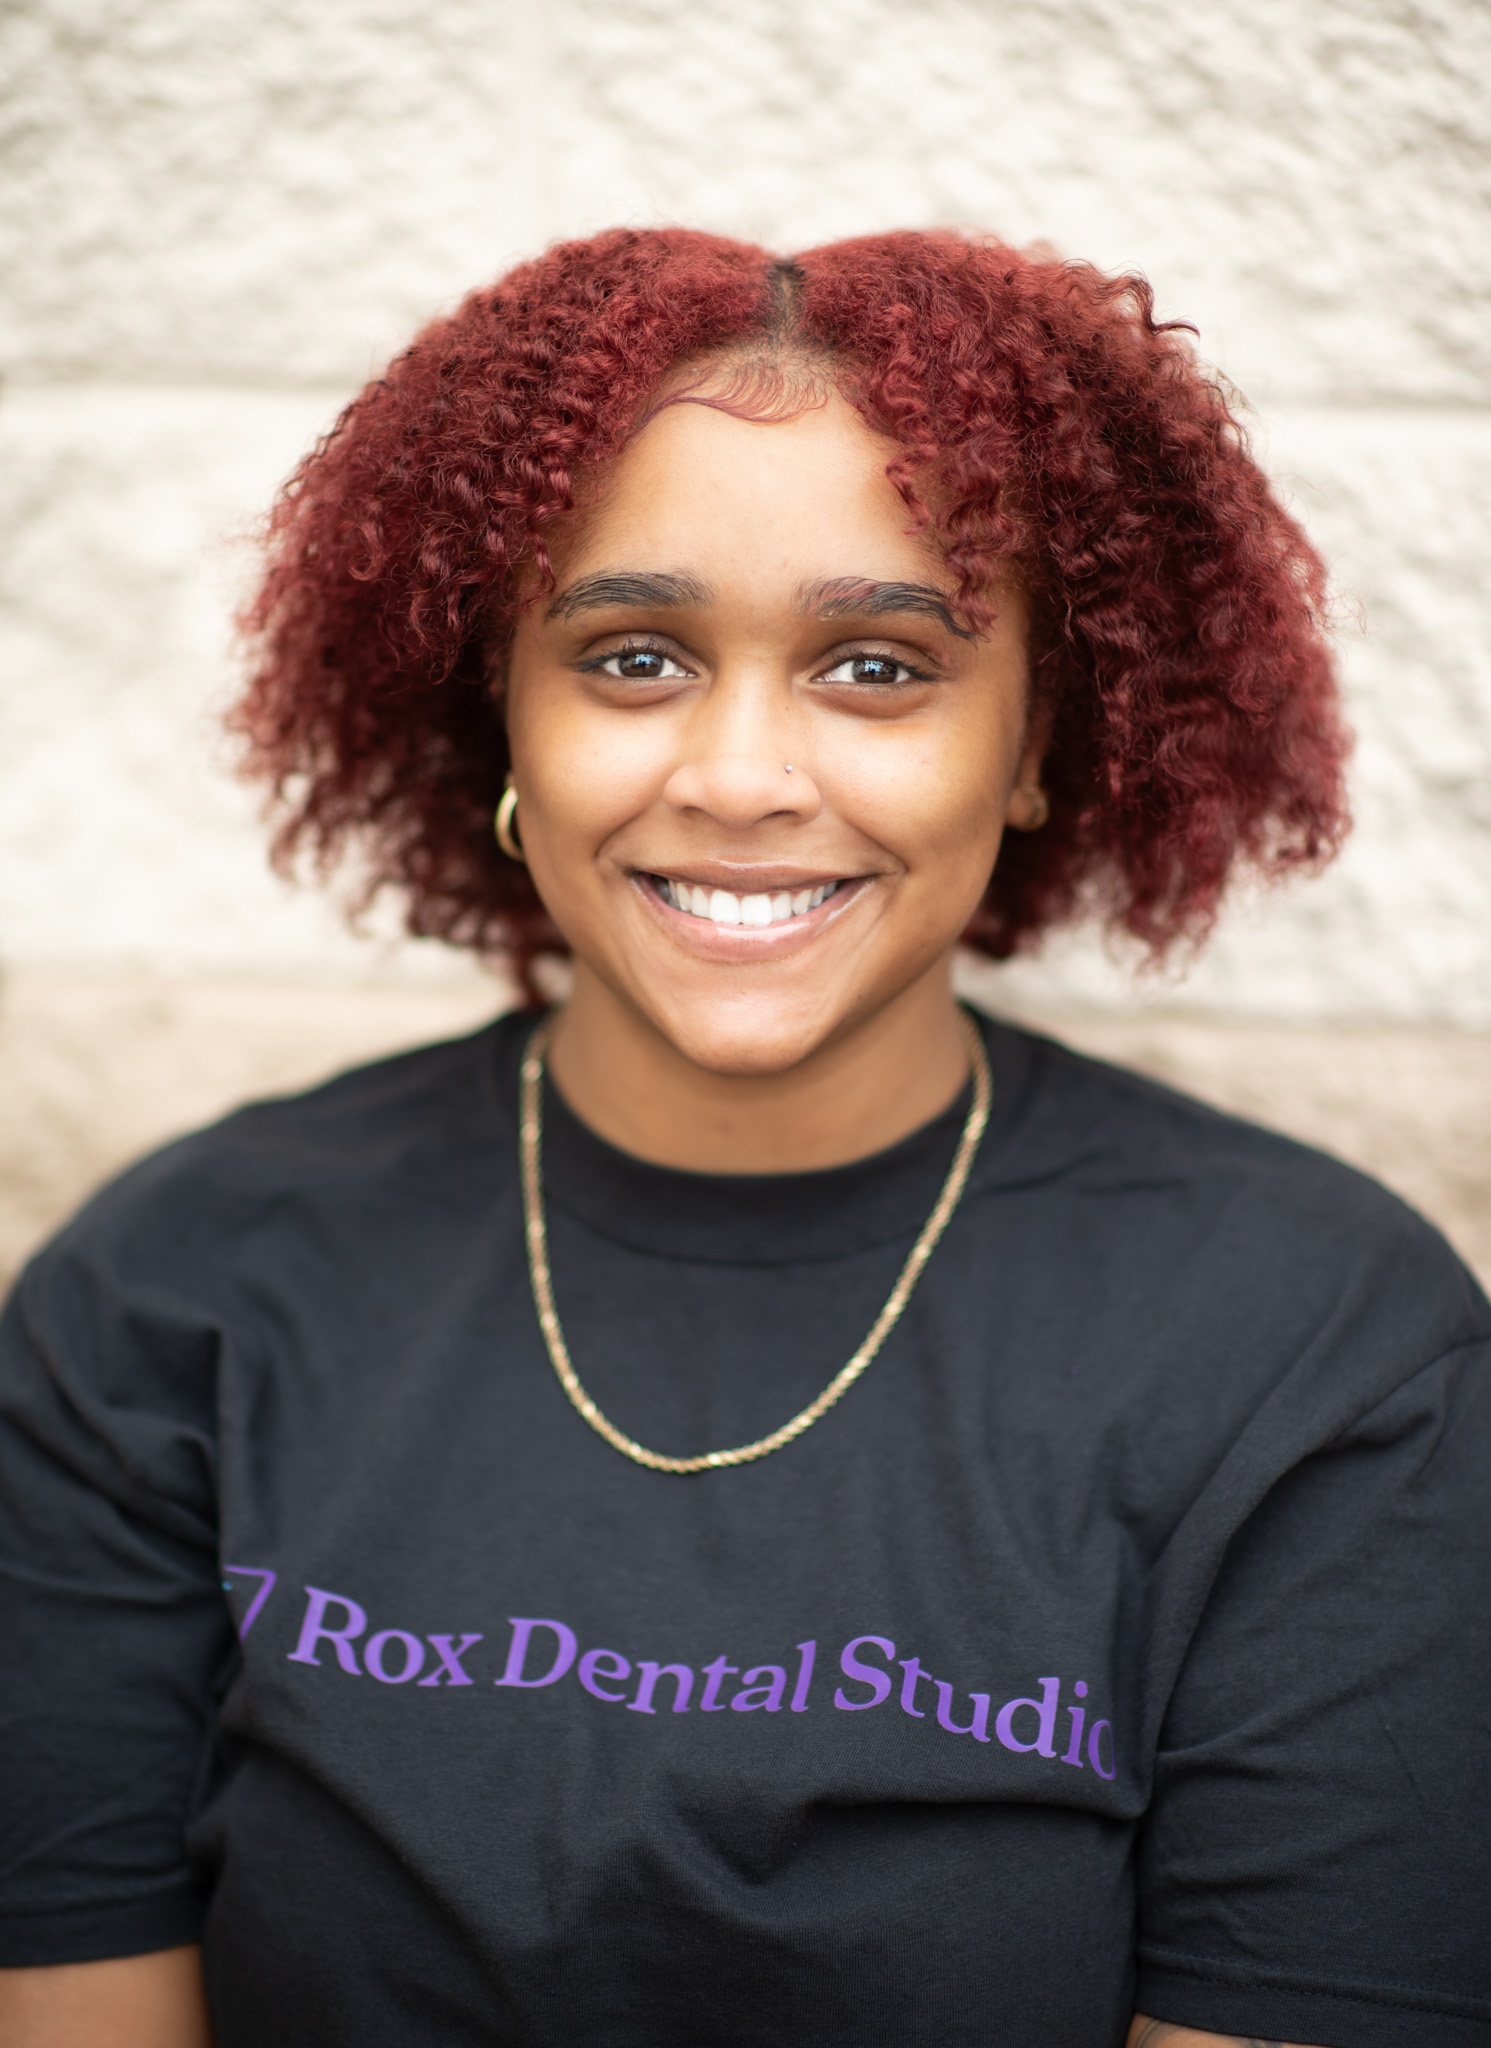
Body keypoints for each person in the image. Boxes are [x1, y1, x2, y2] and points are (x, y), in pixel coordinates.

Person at [0, 227, 1486, 2048]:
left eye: (880, 665)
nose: (739, 777)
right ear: (501, 712)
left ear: (1035, 744)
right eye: (632, 656)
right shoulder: (170, 1295)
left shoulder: (1317, 1350)